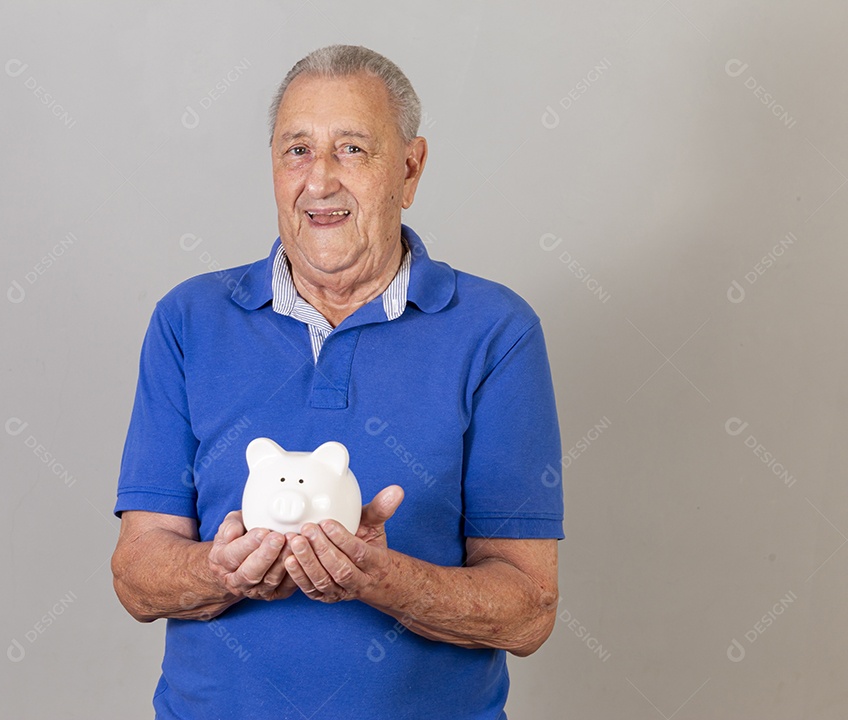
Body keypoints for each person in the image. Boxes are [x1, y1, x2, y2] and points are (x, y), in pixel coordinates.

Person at [111, 44, 564, 719]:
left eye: (352, 149)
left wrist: (382, 579)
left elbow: (527, 612)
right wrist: (222, 570)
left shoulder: (496, 331)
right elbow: (136, 576)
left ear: (409, 169)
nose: (319, 181)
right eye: (297, 151)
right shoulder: (189, 320)